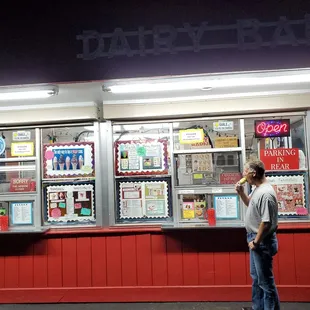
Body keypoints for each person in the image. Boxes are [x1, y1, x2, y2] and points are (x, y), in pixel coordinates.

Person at [235, 160, 280, 310]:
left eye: (245, 172)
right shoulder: (257, 189)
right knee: (257, 279)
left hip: (261, 241)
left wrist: (256, 242)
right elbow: (251, 205)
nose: (243, 175)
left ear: (253, 173)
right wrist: (241, 193)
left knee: (266, 282)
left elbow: (266, 222)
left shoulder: (266, 193)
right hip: (255, 239)